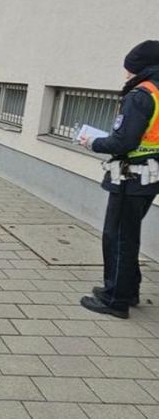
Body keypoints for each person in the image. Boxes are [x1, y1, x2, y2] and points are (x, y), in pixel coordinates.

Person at [79, 40, 159, 319]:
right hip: (151, 175)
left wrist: (92, 142)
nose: (126, 75)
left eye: (128, 70)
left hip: (130, 175)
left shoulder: (141, 95)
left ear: (139, 68)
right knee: (129, 235)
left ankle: (115, 299)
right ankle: (128, 289)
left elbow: (123, 141)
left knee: (118, 238)